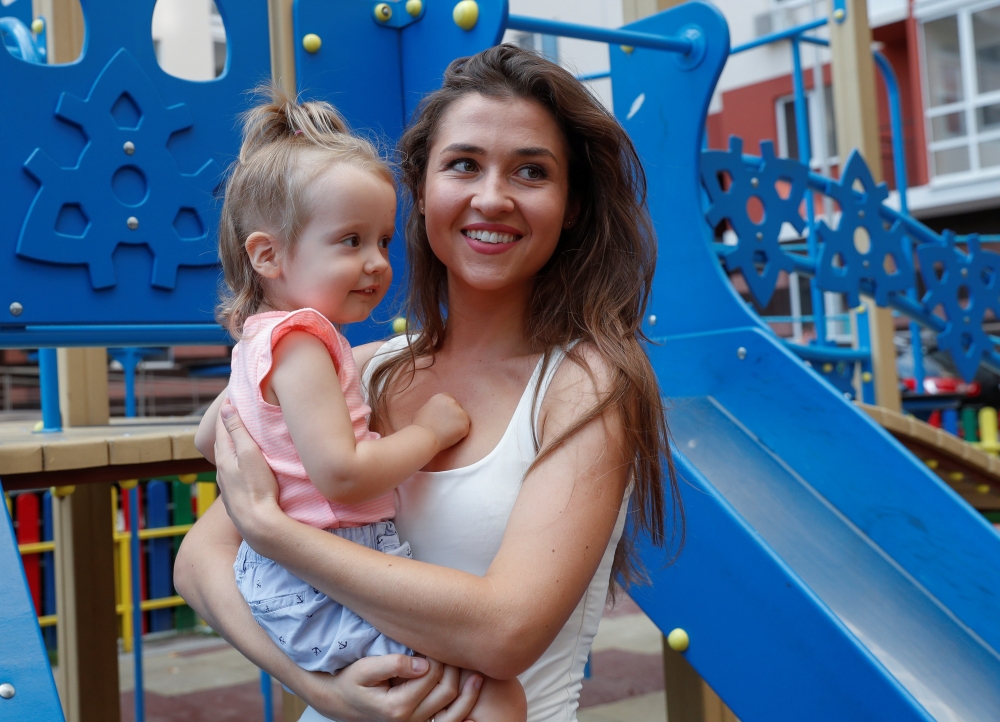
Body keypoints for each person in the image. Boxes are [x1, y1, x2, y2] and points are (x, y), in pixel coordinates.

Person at [176, 44, 682, 722]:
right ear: (420, 189)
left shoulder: (586, 385)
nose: (492, 197)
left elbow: (503, 631)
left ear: (572, 206)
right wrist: (324, 692)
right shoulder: (361, 366)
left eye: (531, 171)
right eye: (463, 164)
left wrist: (274, 533)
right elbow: (201, 558)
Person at [203, 86, 525, 721]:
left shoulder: (259, 341)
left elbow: (209, 436)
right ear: (267, 254)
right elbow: (343, 475)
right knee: (492, 699)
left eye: (381, 240)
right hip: (319, 574)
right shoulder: (304, 343)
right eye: (349, 241)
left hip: (287, 578)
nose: (377, 264)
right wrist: (429, 434)